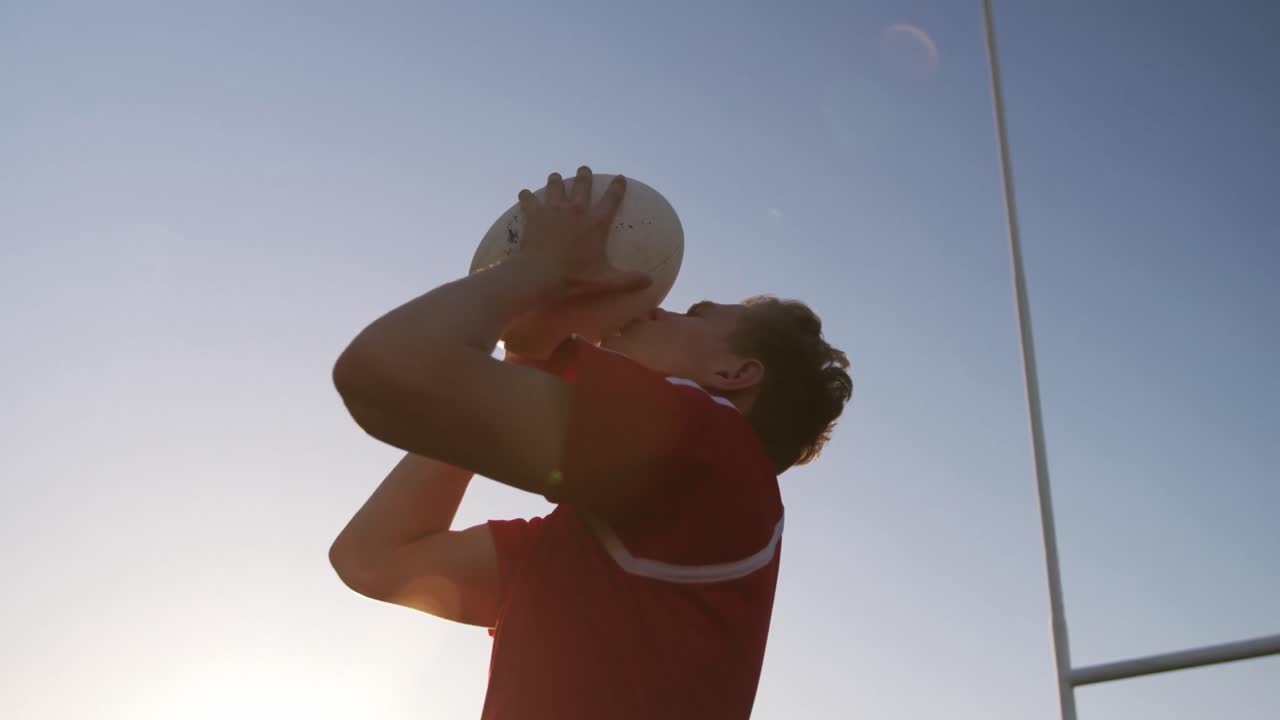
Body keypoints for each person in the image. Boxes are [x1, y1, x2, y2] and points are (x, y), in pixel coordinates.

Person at [329, 167, 853, 719]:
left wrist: (535, 272)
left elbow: (385, 372)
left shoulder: (717, 451)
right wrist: (523, 354)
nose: (656, 307)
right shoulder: (603, 546)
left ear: (734, 374)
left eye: (694, 315)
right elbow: (374, 558)